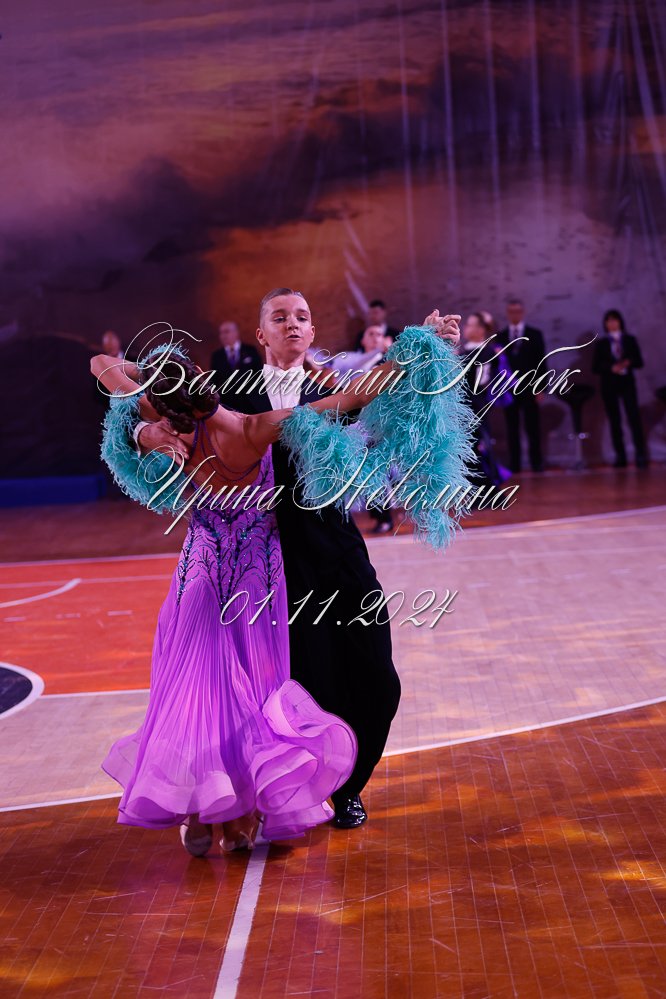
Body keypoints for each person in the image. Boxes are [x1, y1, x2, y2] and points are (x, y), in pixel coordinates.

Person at [91, 301, 467, 852]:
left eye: (302, 316)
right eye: (280, 317)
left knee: (353, 681)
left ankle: (292, 796)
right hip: (267, 570)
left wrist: (146, 426)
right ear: (260, 335)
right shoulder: (239, 406)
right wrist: (146, 428)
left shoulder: (312, 387)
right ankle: (259, 804)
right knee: (263, 692)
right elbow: (126, 381)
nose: (292, 324)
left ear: (312, 330)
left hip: (300, 555)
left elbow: (107, 368)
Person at [592, 309, 648, 468]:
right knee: (614, 421)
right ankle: (620, 455)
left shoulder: (630, 340)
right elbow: (595, 367)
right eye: (609, 321)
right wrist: (611, 367)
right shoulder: (601, 343)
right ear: (605, 324)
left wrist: (628, 362)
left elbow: (639, 362)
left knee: (633, 418)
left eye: (615, 320)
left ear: (620, 322)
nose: (612, 323)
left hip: (627, 384)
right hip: (609, 385)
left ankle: (640, 454)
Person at [460, 312, 511, 487]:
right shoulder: (466, 351)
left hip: (474, 405)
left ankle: (486, 486)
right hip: (466, 406)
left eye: (470, 324)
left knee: (478, 446)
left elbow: (480, 382)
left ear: (481, 329)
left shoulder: (486, 352)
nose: (466, 328)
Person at [496, 298, 546, 473]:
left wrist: (541, 387)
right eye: (511, 312)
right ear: (507, 313)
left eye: (517, 311)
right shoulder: (501, 336)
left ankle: (536, 462)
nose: (514, 315)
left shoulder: (535, 334)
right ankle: (515, 464)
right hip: (509, 389)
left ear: (522, 312)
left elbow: (541, 362)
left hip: (530, 387)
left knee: (533, 426)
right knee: (512, 427)